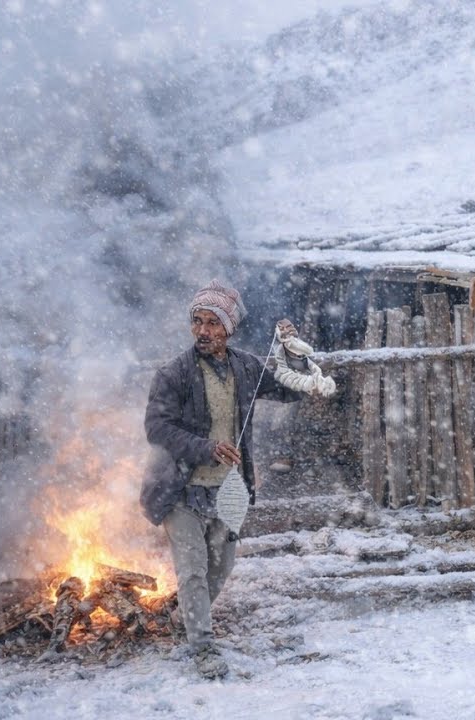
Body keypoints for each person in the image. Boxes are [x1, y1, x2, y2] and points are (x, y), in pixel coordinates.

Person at [141, 279, 309, 679]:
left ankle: (182, 615)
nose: (204, 331)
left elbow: (292, 390)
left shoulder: (247, 367)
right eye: (197, 321)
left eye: (213, 323)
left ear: (229, 328)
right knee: (194, 568)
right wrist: (207, 448)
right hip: (180, 489)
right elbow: (157, 429)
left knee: (222, 566)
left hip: (230, 488)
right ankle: (202, 647)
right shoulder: (174, 374)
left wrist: (292, 351)